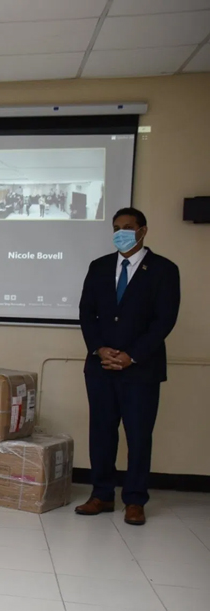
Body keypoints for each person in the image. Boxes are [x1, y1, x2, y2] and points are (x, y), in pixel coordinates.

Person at [76, 207, 180, 526]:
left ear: (143, 231)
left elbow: (165, 320)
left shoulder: (163, 269)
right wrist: (99, 349)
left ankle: (135, 500)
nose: (122, 232)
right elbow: (86, 313)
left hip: (140, 370)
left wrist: (131, 355)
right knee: (102, 433)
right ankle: (102, 495)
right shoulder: (100, 267)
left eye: (129, 227)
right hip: (101, 367)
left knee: (138, 436)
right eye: (117, 227)